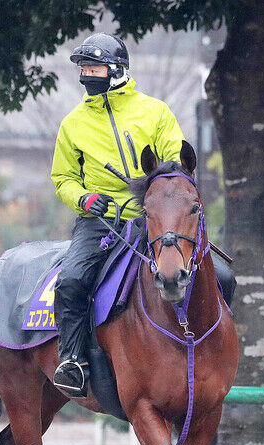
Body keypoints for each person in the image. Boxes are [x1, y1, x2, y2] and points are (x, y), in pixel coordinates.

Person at [51, 32, 185, 397]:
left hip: (157, 218)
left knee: (222, 276)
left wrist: (157, 198)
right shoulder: (72, 123)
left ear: (117, 70)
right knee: (72, 281)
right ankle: (73, 361)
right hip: (100, 222)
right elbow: (62, 178)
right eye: (84, 68)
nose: (87, 75)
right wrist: (84, 199)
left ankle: (213, 351)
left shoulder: (155, 111)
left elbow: (175, 163)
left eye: (94, 67)